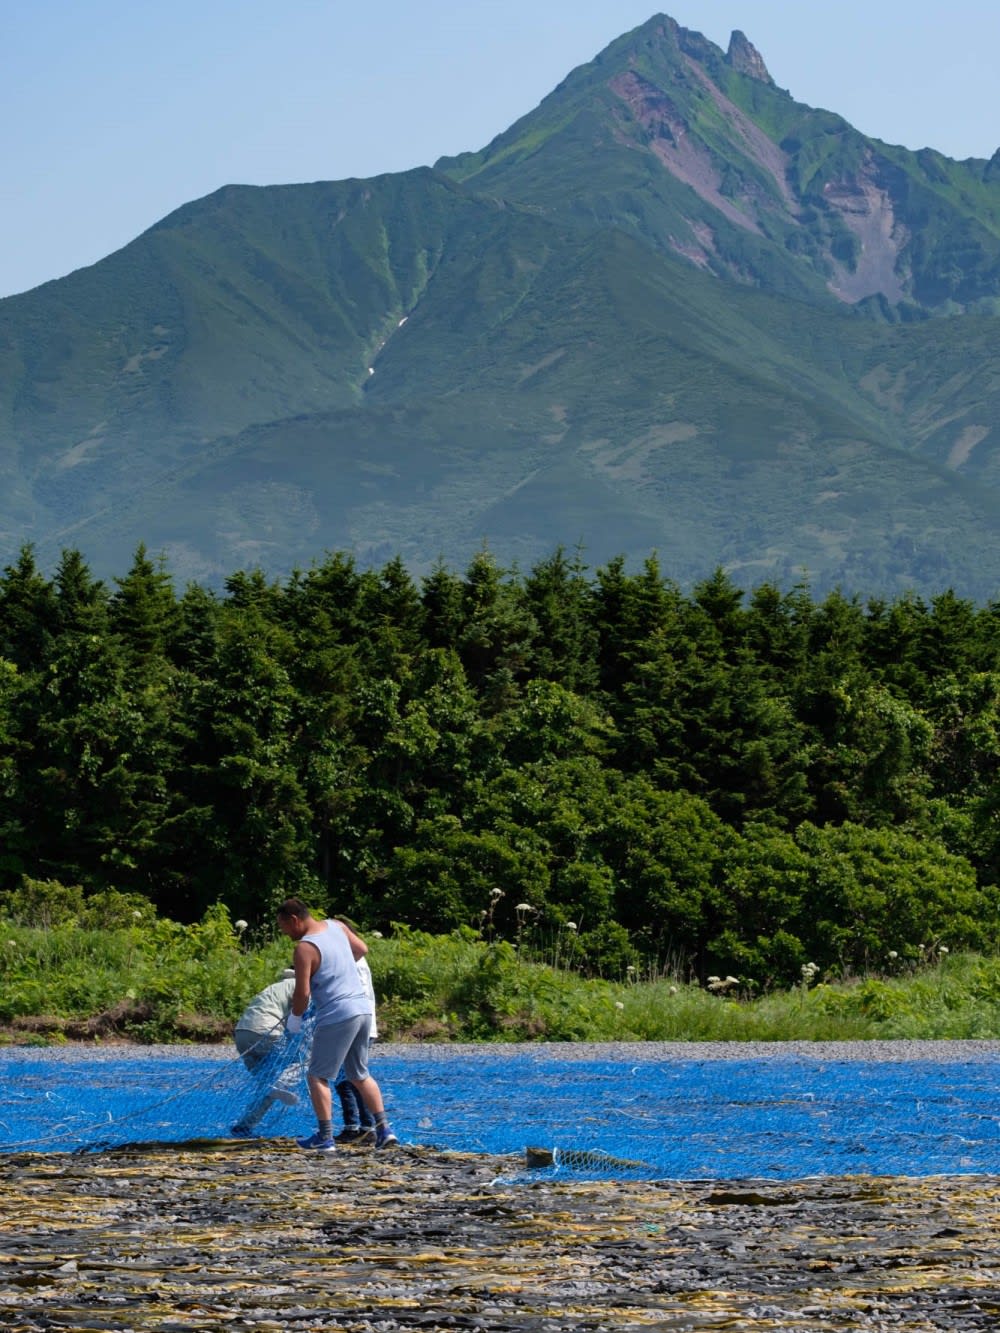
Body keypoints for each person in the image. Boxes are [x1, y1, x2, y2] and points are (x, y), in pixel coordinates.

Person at [277, 897, 398, 1152]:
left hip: (337, 1014)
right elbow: (362, 949)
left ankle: (325, 1138)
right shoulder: (337, 926)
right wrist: (338, 966)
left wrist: (295, 1020)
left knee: (317, 1075)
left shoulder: (305, 948)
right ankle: (384, 1131)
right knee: (359, 1074)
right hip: (363, 1009)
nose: (285, 933)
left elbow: (303, 993)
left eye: (284, 927)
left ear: (294, 920)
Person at [230, 968, 303, 1137]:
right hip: (266, 1031)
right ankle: (281, 1083)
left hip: (242, 1034)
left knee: (268, 1085)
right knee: (304, 1061)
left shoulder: (276, 987)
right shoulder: (300, 986)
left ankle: (244, 1126)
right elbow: (299, 1016)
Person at [334, 950, 379, 1144]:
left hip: (355, 1028)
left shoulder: (355, 962)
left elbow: (355, 995)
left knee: (349, 1079)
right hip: (359, 1027)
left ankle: (359, 1128)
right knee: (352, 1078)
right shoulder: (356, 961)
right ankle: (363, 1127)